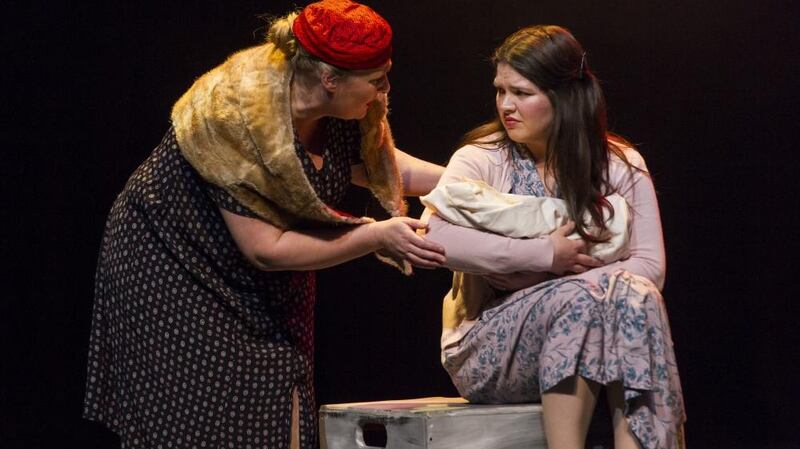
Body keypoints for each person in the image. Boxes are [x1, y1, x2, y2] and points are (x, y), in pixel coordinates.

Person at [82, 1, 445, 448]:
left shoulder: (343, 108)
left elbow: (384, 168)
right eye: (376, 79)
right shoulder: (234, 114)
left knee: (280, 381)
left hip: (257, 272)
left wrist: (470, 181)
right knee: (203, 411)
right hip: (174, 263)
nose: (386, 87)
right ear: (330, 79)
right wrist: (371, 236)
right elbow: (265, 249)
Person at [423, 26, 686, 449]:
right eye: (500, 91)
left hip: (599, 336)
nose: (506, 106)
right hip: (490, 347)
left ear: (565, 97)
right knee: (590, 296)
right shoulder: (483, 157)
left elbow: (650, 266)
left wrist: (577, 278)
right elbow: (435, 237)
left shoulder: (618, 163)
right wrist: (546, 254)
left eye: (522, 93)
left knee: (638, 294)